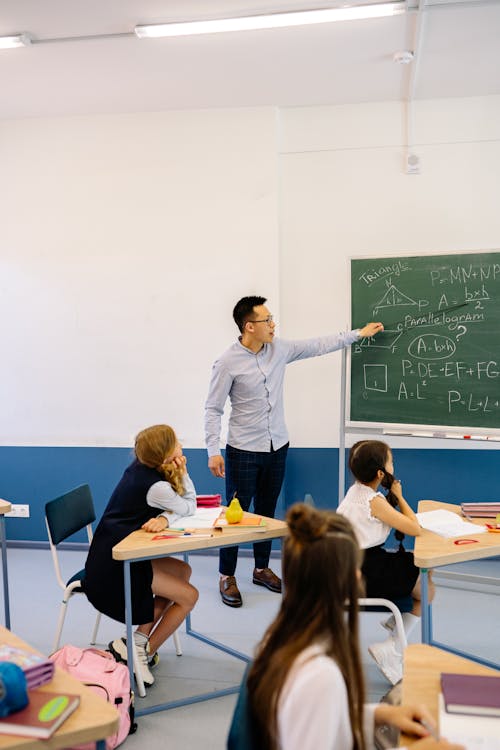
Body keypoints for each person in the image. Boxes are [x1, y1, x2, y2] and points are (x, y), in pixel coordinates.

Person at [205, 295, 384, 607]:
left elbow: (317, 345)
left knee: (265, 511)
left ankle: (261, 568)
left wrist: (358, 334)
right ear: (249, 326)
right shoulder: (227, 362)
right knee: (236, 514)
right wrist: (212, 450)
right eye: (267, 320)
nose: (274, 325)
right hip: (242, 449)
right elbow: (212, 409)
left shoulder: (279, 349)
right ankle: (226, 574)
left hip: (277, 445)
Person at [244, 504, 461, 750]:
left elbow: (321, 717)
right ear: (347, 579)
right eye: (355, 568)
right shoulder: (321, 673)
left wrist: (378, 714)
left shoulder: (281, 639)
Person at [84, 424, 199, 688]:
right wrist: (184, 471)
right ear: (165, 454)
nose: (180, 444)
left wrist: (164, 517)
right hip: (113, 565)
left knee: (183, 572)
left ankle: (137, 641)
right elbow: (189, 505)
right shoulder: (156, 486)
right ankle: (143, 653)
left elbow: (175, 505)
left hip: (116, 550)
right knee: (189, 596)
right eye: (176, 443)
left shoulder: (142, 468)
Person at [337, 440, 435, 686]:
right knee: (427, 590)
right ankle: (391, 646)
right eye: (391, 462)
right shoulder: (375, 502)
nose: (394, 465)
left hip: (353, 564)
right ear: (381, 473)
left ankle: (395, 625)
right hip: (363, 573)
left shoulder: (356, 492)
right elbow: (415, 528)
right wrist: (400, 498)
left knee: (422, 565)